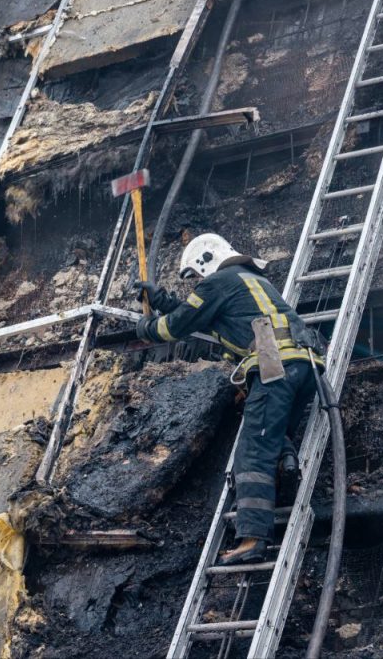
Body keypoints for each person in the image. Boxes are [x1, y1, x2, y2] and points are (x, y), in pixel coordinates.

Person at [135, 233, 323, 564]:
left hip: (272, 362)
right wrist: (163, 300)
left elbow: (178, 327)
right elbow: (201, 317)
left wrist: (147, 328)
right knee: (274, 435)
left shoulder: (218, 281)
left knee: (252, 451)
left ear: (206, 261)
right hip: (303, 364)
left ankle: (252, 539)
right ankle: (287, 461)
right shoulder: (248, 279)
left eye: (195, 275)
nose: (197, 282)